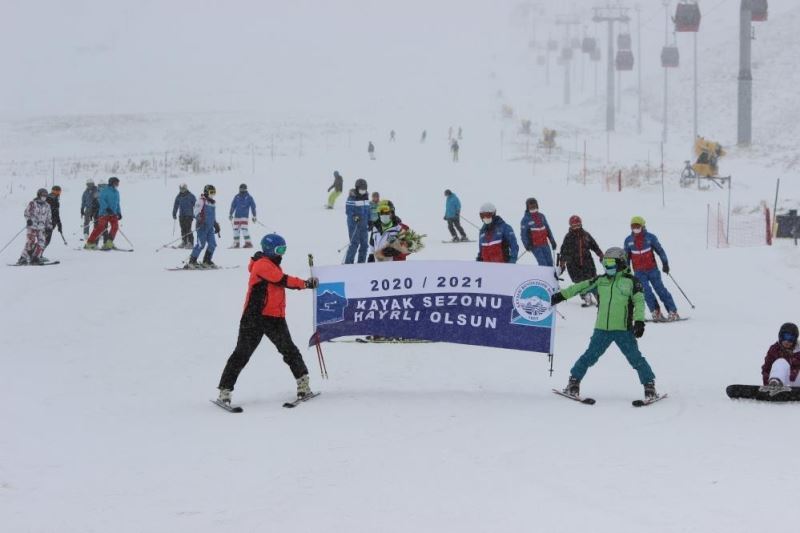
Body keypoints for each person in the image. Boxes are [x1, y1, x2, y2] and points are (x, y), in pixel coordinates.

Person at [216, 233, 319, 406]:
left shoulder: (271, 263)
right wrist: (306, 284)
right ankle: (224, 391)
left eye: (284, 249)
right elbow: (283, 280)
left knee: (289, 350)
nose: (282, 253)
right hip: (254, 318)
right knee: (241, 354)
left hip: (274, 317)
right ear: (269, 249)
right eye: (280, 249)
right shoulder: (262, 265)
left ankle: (303, 385)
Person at [551, 247, 658, 400]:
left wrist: (639, 321)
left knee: (635, 358)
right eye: (605, 263)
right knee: (589, 356)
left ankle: (649, 385)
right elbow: (580, 287)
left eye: (610, 263)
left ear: (621, 263)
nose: (607, 267)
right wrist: (561, 295)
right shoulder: (600, 280)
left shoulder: (632, 282)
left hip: (623, 330)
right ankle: (573, 383)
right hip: (602, 329)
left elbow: (639, 302)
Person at [623, 216, 679, 321]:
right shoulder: (628, 240)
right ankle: (655, 311)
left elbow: (660, 251)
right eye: (633, 226)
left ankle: (673, 311)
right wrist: (626, 270)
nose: (635, 228)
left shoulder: (650, 237)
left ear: (643, 226)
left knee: (660, 290)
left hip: (652, 269)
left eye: (637, 226)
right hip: (639, 272)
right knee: (645, 292)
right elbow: (626, 257)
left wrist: (665, 263)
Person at [559, 215, 603, 307]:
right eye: (574, 225)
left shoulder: (586, 235)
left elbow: (594, 246)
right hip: (573, 264)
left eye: (578, 225)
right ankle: (586, 298)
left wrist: (601, 255)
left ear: (581, 224)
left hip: (587, 262)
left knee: (592, 280)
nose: (576, 227)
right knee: (579, 282)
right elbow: (563, 251)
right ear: (571, 226)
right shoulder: (568, 237)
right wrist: (562, 263)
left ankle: (599, 299)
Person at [186, 184, 221, 268]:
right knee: (201, 244)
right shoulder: (201, 201)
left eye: (214, 193)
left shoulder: (212, 203)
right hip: (202, 226)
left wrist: (215, 224)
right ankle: (192, 261)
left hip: (209, 228)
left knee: (212, 244)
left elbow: (212, 216)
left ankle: (207, 261)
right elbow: (196, 212)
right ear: (206, 192)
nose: (212, 194)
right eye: (211, 192)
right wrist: (200, 219)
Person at [17, 188, 52, 265]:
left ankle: (35, 257)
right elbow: (26, 212)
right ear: (39, 195)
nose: (44, 197)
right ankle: (23, 258)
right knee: (30, 242)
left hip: (41, 227)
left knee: (42, 242)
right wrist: (28, 220)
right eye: (43, 195)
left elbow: (49, 218)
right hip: (32, 226)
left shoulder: (47, 206)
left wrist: (49, 227)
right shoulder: (33, 203)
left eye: (45, 196)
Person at [85, 177, 121, 250]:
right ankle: (90, 243)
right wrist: (106, 208)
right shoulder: (105, 191)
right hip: (104, 213)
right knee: (100, 228)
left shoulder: (117, 192)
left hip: (113, 214)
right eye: (116, 182)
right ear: (112, 182)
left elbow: (117, 203)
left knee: (115, 227)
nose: (117, 184)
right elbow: (102, 200)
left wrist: (119, 212)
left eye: (118, 183)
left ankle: (109, 243)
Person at [520, 197, 557, 267]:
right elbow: (523, 235)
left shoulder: (541, 216)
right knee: (543, 263)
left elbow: (548, 229)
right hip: (535, 246)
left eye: (534, 206)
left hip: (545, 244)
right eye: (531, 206)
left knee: (550, 262)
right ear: (528, 207)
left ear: (537, 205)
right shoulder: (525, 220)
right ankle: (543, 276)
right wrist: (527, 245)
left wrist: (552, 241)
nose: (533, 208)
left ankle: (550, 277)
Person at [761, 323, 800, 387]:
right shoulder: (774, 350)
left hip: (796, 382)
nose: (787, 341)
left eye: (791, 338)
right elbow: (766, 369)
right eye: (786, 336)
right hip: (782, 382)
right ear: (781, 336)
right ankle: (775, 384)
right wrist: (766, 385)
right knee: (781, 362)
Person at [344, 179, 370, 264]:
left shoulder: (366, 197)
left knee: (364, 244)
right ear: (357, 188)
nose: (363, 190)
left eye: (364, 188)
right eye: (361, 188)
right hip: (354, 224)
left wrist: (370, 221)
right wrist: (354, 217)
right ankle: (348, 262)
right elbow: (348, 211)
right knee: (355, 243)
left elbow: (368, 211)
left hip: (364, 224)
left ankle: (361, 263)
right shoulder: (352, 197)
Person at [229, 183, 257, 248]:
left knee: (244, 229)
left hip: (244, 216)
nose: (241, 190)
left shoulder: (249, 197)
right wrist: (230, 214)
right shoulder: (237, 197)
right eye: (240, 189)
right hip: (237, 216)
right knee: (236, 229)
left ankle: (248, 243)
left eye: (243, 189)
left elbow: (253, 207)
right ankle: (236, 243)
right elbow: (233, 206)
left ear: (246, 189)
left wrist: (254, 216)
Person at [172, 183, 196, 248]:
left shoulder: (191, 196)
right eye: (180, 189)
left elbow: (196, 206)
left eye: (183, 189)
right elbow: (176, 205)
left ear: (186, 188)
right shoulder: (178, 196)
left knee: (188, 229)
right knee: (183, 229)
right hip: (181, 215)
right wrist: (174, 213)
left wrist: (196, 214)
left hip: (189, 215)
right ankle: (184, 242)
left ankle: (190, 243)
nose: (182, 190)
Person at [43, 185, 62, 249]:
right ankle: (37, 256)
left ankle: (37, 255)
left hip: (48, 223)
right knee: (45, 240)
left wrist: (59, 224)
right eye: (58, 192)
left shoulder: (52, 198)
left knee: (44, 240)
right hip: (48, 223)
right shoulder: (52, 199)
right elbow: (55, 213)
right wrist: (58, 223)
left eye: (60, 192)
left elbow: (56, 213)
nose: (59, 193)